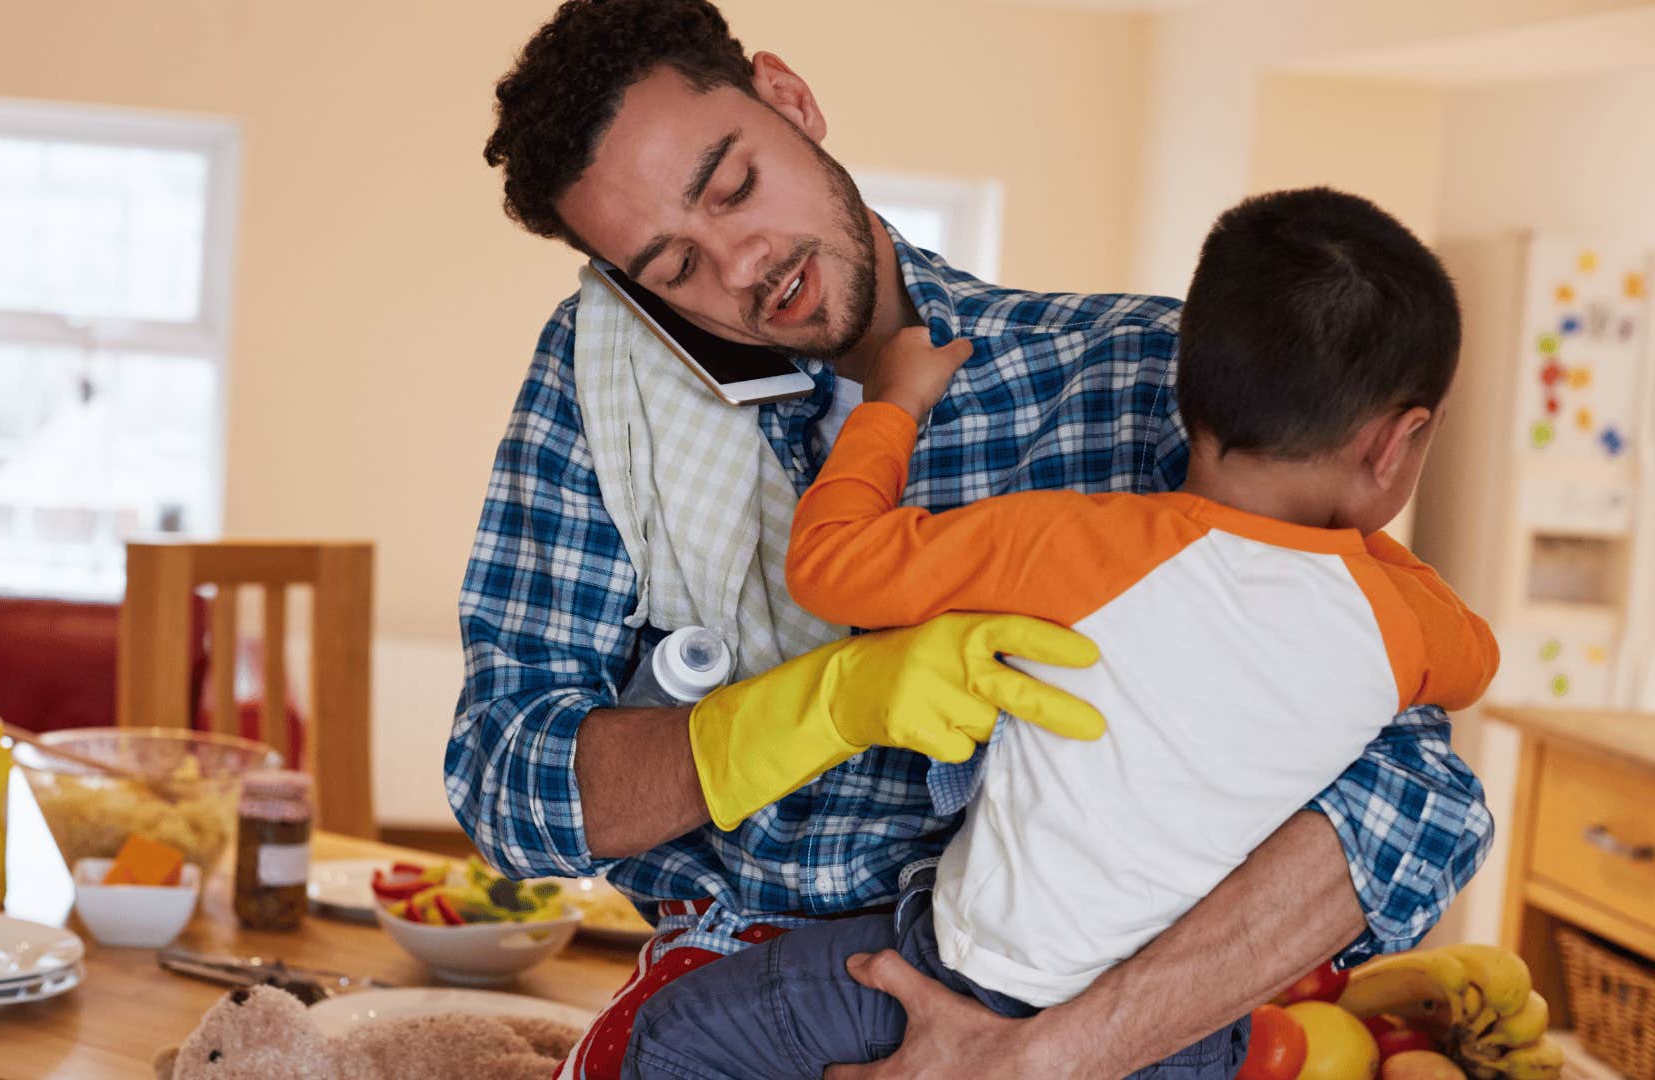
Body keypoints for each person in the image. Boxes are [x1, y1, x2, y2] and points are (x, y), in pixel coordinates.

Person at [450, 3, 1491, 1076]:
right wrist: (822, 705)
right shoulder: (615, 396)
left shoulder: (1133, 380)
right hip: (751, 991)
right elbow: (508, 786)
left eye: (736, 186)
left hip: (1080, 1021)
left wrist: (1044, 1057)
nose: (742, 264)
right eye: (673, 267)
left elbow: (1416, 800)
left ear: (789, 100)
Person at [619, 188, 1499, 1079]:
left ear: (1187, 387)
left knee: (672, 1038)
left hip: (971, 973)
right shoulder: (1403, 625)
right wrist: (1344, 544)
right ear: (1398, 443)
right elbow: (1476, 658)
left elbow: (831, 561)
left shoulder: (1075, 543)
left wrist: (896, 403)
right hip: (1184, 1045)